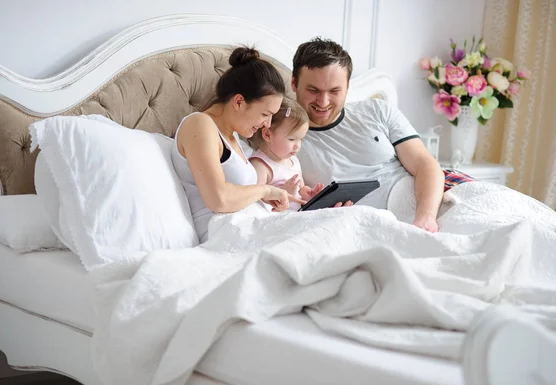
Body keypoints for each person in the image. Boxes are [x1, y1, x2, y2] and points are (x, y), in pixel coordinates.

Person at [291, 38, 447, 233]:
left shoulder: (377, 110)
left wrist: (426, 218)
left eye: (334, 91)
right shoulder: (278, 138)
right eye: (313, 90)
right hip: (363, 225)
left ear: (347, 87)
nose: (323, 102)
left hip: (429, 204)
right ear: (294, 83)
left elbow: (425, 164)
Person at [172, 46, 303, 243]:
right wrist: (265, 190)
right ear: (239, 102)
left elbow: (238, 194)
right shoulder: (199, 124)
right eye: (265, 114)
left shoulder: (233, 138)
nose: (267, 124)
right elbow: (219, 198)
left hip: (251, 227)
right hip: (225, 235)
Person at [247, 97, 325, 211]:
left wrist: (308, 193)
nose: (297, 146)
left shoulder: (293, 161)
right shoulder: (260, 165)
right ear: (267, 135)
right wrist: (283, 193)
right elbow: (255, 200)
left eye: (301, 139)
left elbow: (300, 189)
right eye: (292, 139)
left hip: (296, 215)